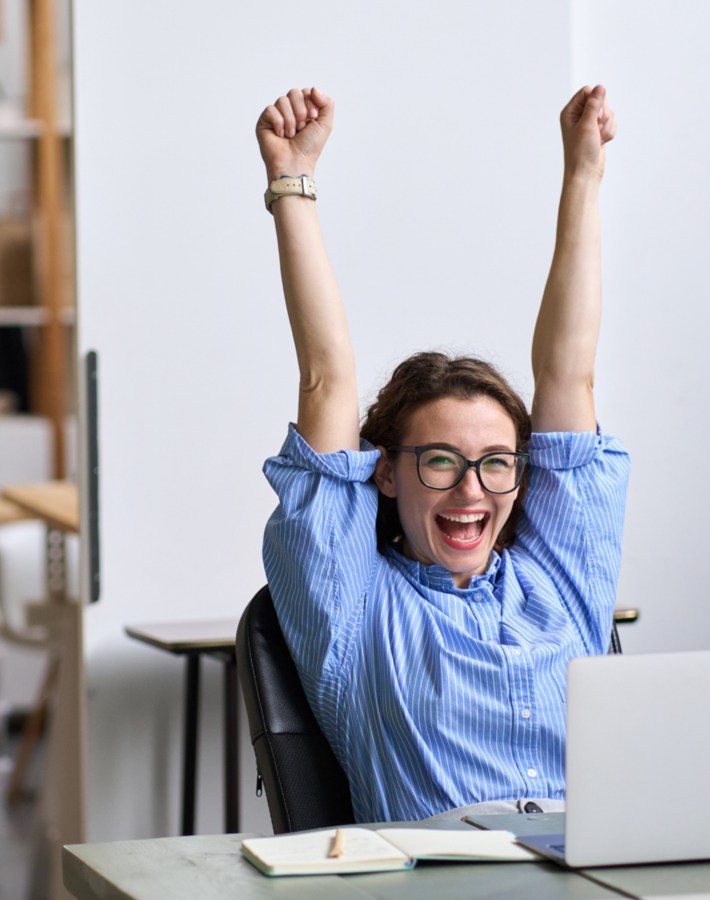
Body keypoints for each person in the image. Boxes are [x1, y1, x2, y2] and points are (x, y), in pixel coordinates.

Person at [257, 85, 629, 823]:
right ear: (385, 471)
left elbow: (569, 374)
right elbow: (326, 379)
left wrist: (583, 176)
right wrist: (291, 185)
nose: (472, 491)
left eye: (497, 462)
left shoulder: (560, 586)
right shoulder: (355, 610)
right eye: (440, 462)